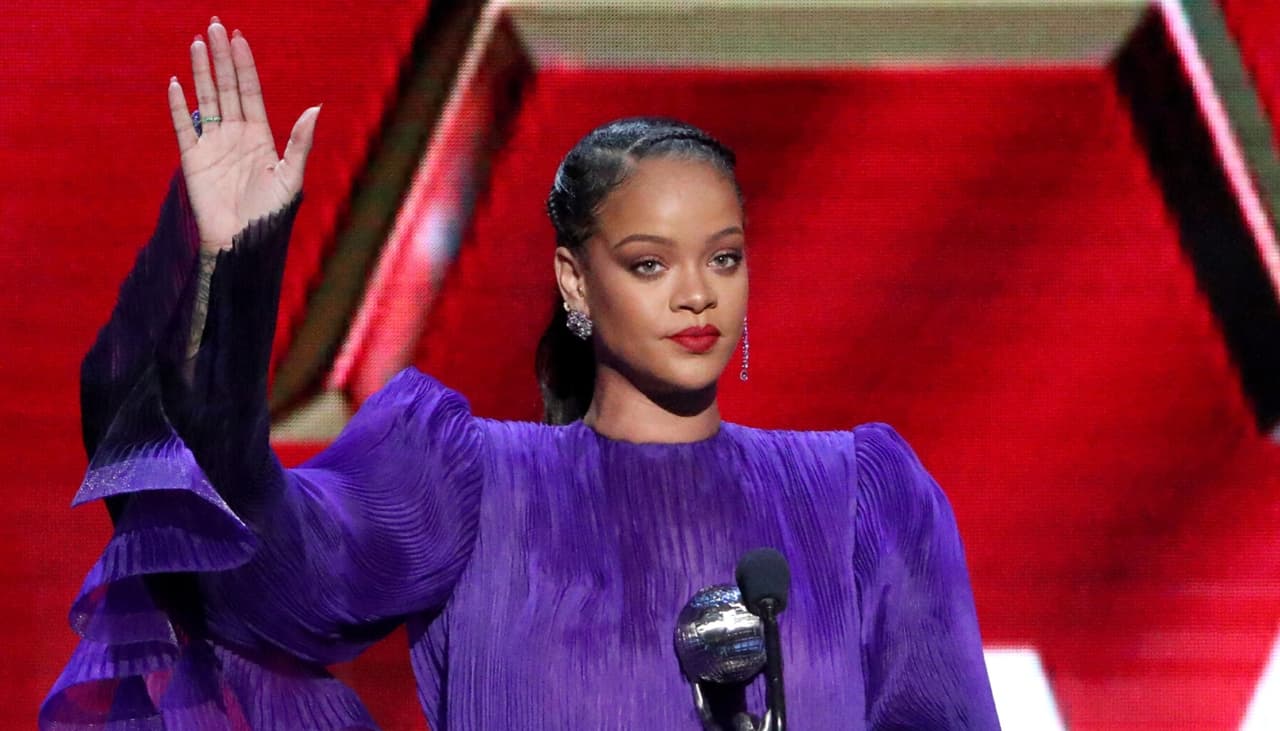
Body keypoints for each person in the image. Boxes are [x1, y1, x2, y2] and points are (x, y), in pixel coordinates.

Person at [41, 17, 1000, 731]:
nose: (697, 294)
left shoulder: (863, 497)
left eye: (724, 257)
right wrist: (234, 270)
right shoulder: (469, 483)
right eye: (650, 263)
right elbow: (263, 568)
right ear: (574, 280)